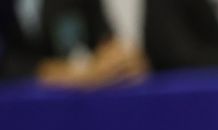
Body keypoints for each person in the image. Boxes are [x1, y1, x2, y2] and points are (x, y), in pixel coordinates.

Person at [0, 0, 145, 86]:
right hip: (16, 108)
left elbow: (104, 39)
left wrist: (120, 62)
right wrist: (63, 73)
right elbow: (8, 60)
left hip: (75, 108)